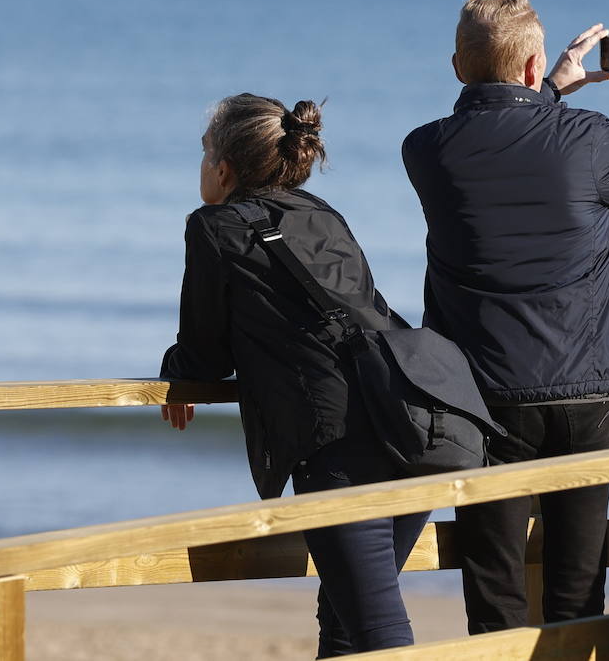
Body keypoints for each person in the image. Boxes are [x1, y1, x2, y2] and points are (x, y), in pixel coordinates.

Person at [402, 0, 609, 633]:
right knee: (577, 597)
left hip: (483, 401)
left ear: (457, 67)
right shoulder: (588, 140)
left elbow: (504, 142)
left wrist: (544, 91)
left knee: (494, 595)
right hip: (586, 397)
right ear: (532, 64)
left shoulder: (426, 151)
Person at [158, 93, 428, 656]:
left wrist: (175, 374)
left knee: (377, 630)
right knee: (345, 617)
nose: (201, 165)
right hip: (409, 422)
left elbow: (206, 356)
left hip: (340, 443)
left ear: (224, 169)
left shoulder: (213, 226)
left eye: (205, 152)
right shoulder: (321, 212)